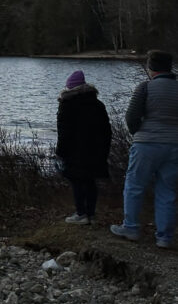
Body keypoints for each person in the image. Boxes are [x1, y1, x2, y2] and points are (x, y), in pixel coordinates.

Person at [111, 50, 178, 248]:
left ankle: (131, 227)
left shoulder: (145, 87)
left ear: (151, 68)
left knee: (135, 185)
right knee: (167, 190)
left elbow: (131, 117)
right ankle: (164, 237)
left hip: (146, 143)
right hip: (174, 145)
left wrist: (137, 133)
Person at [55, 70, 112, 225]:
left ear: (69, 88)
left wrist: (60, 152)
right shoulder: (98, 104)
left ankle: (81, 214)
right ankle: (91, 215)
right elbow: (107, 131)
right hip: (96, 151)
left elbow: (64, 133)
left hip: (75, 152)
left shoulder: (66, 105)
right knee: (90, 181)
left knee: (76, 181)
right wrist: (104, 151)